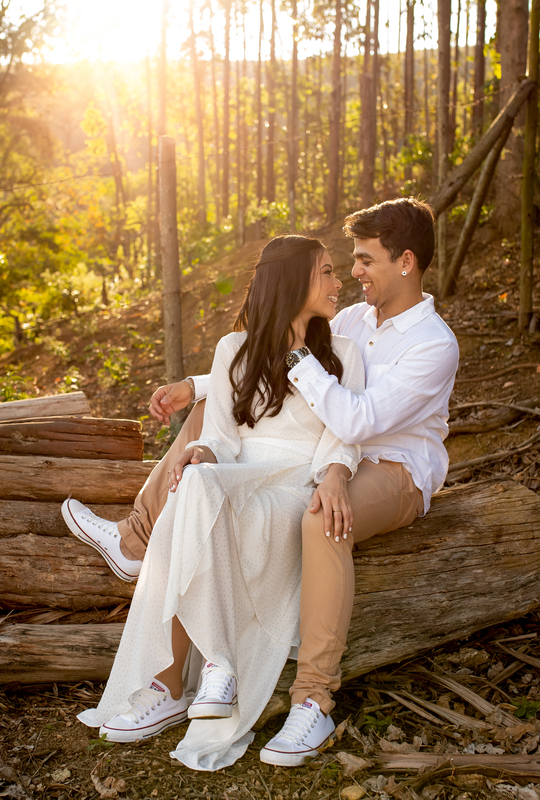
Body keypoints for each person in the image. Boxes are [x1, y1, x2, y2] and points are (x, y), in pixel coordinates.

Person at [65, 198, 459, 766]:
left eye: (366, 261)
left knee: (324, 518)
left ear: (406, 262)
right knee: (205, 438)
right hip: (329, 454)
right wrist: (200, 387)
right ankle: (139, 548)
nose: (354, 273)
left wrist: (332, 470)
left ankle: (314, 702)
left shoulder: (432, 344)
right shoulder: (350, 320)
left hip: (394, 469)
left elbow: (353, 420)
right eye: (347, 262)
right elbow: (266, 349)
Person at [74, 235, 366, 771]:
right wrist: (204, 449)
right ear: (296, 281)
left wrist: (334, 475)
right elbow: (225, 437)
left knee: (197, 506)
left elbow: (343, 433)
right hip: (238, 472)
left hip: (295, 482)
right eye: (326, 271)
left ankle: (173, 683)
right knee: (195, 485)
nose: (337, 280)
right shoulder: (234, 349)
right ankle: (217, 667)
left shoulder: (344, 351)